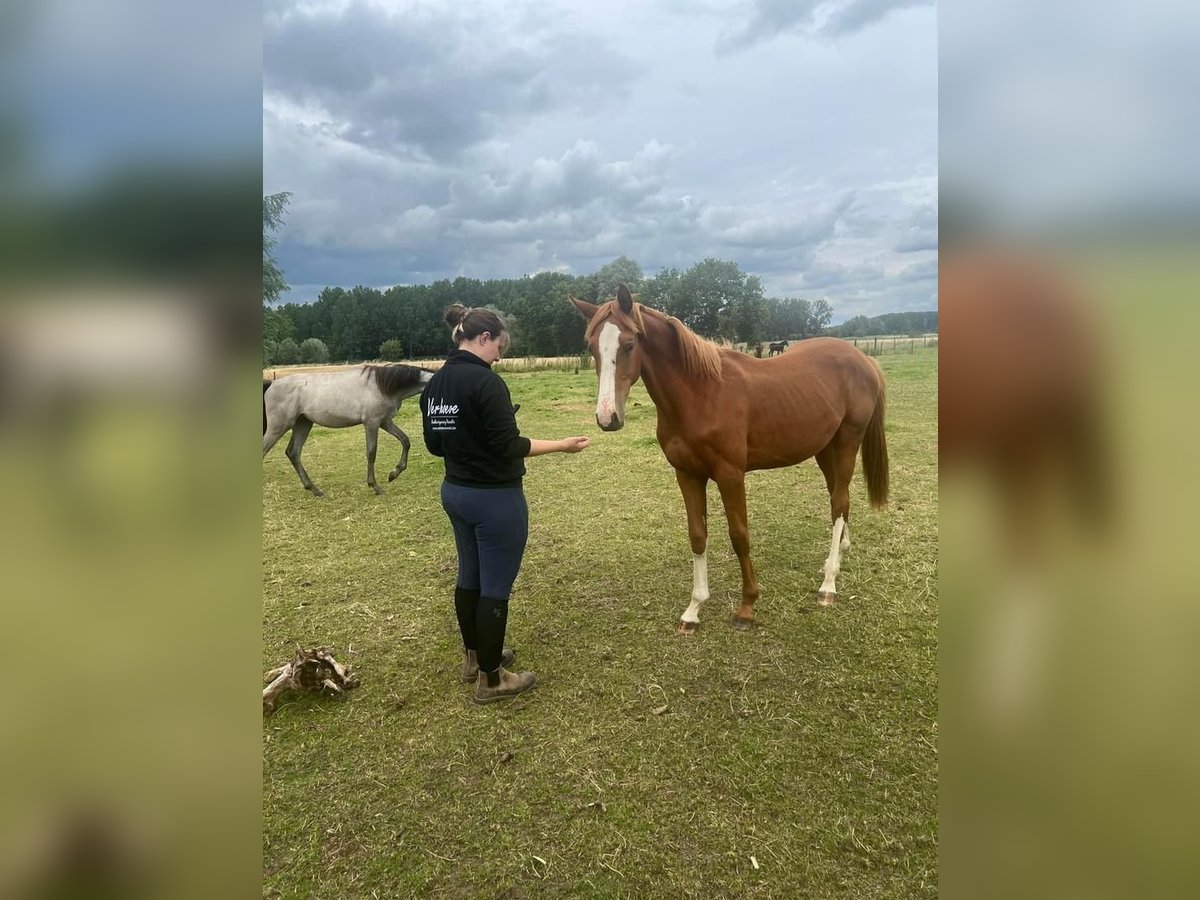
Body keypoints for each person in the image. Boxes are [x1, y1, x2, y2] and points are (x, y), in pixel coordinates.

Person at [420, 304, 590, 704]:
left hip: (456, 493)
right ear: (483, 338)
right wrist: (563, 446)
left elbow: (433, 445)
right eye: (499, 345)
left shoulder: (435, 385)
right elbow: (509, 446)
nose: (500, 354)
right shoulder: (486, 384)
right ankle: (492, 680)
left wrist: (469, 441)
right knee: (495, 588)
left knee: (470, 578)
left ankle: (475, 658)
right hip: (494, 500)